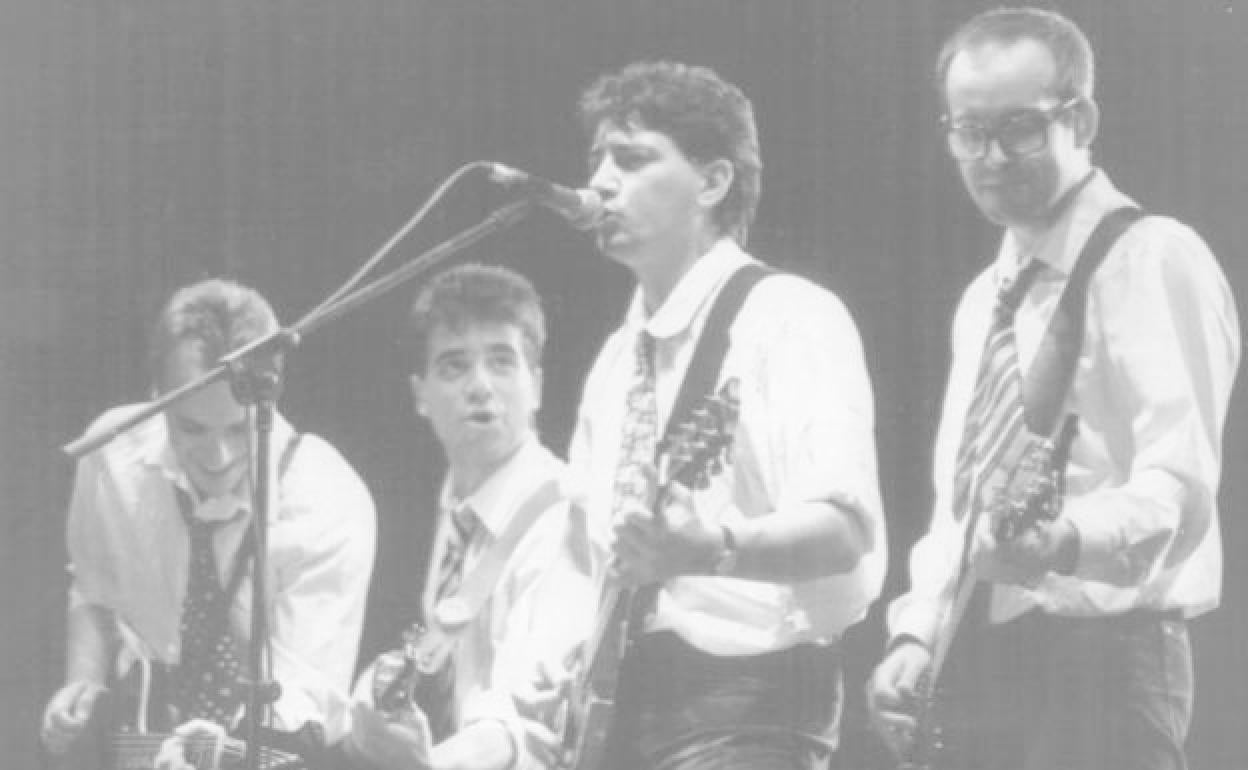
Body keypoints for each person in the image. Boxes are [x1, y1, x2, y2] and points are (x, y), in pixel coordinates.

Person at [867, 8, 1241, 770]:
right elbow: (961, 499)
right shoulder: (984, 299)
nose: (991, 157)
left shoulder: (1151, 256)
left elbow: (1180, 486)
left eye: (1020, 129)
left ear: (1081, 119)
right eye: (969, 132)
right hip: (983, 668)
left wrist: (1064, 541)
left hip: (1105, 664)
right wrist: (918, 632)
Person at [566, 59, 886, 770]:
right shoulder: (615, 362)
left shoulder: (790, 316)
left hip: (749, 708)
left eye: (632, 159)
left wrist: (712, 547)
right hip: (618, 717)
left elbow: (845, 529)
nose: (601, 182)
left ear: (712, 182)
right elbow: (582, 552)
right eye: (596, 162)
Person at [40, 278, 377, 762]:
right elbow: (93, 590)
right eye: (192, 428)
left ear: (272, 396)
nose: (218, 457)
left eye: (240, 430)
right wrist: (84, 682)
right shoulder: (110, 453)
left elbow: (305, 701)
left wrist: (207, 751)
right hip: (140, 743)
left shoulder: (330, 499)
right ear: (158, 396)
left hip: (266, 748)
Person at [343, 264, 593, 770]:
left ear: (536, 385)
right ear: (420, 395)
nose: (480, 386)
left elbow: (524, 721)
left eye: (501, 362)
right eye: (454, 367)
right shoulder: (435, 511)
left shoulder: (563, 517)